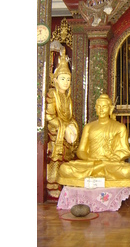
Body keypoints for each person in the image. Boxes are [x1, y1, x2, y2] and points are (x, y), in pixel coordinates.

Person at [57, 94, 130, 188]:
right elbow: (81, 151)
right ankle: (98, 172)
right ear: (95, 108)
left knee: (127, 171)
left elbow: (125, 151)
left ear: (110, 109)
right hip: (91, 163)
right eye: (98, 107)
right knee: (64, 169)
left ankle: (96, 173)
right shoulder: (89, 127)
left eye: (104, 107)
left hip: (109, 164)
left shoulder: (120, 127)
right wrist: (90, 159)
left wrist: (112, 158)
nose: (101, 109)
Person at [46, 48, 79, 198]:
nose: (66, 83)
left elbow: (70, 117)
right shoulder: (52, 95)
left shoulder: (68, 98)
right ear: (55, 79)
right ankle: (52, 184)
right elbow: (49, 117)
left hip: (65, 130)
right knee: (57, 157)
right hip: (55, 132)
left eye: (68, 79)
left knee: (69, 157)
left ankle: (64, 182)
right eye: (63, 79)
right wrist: (63, 127)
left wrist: (72, 126)